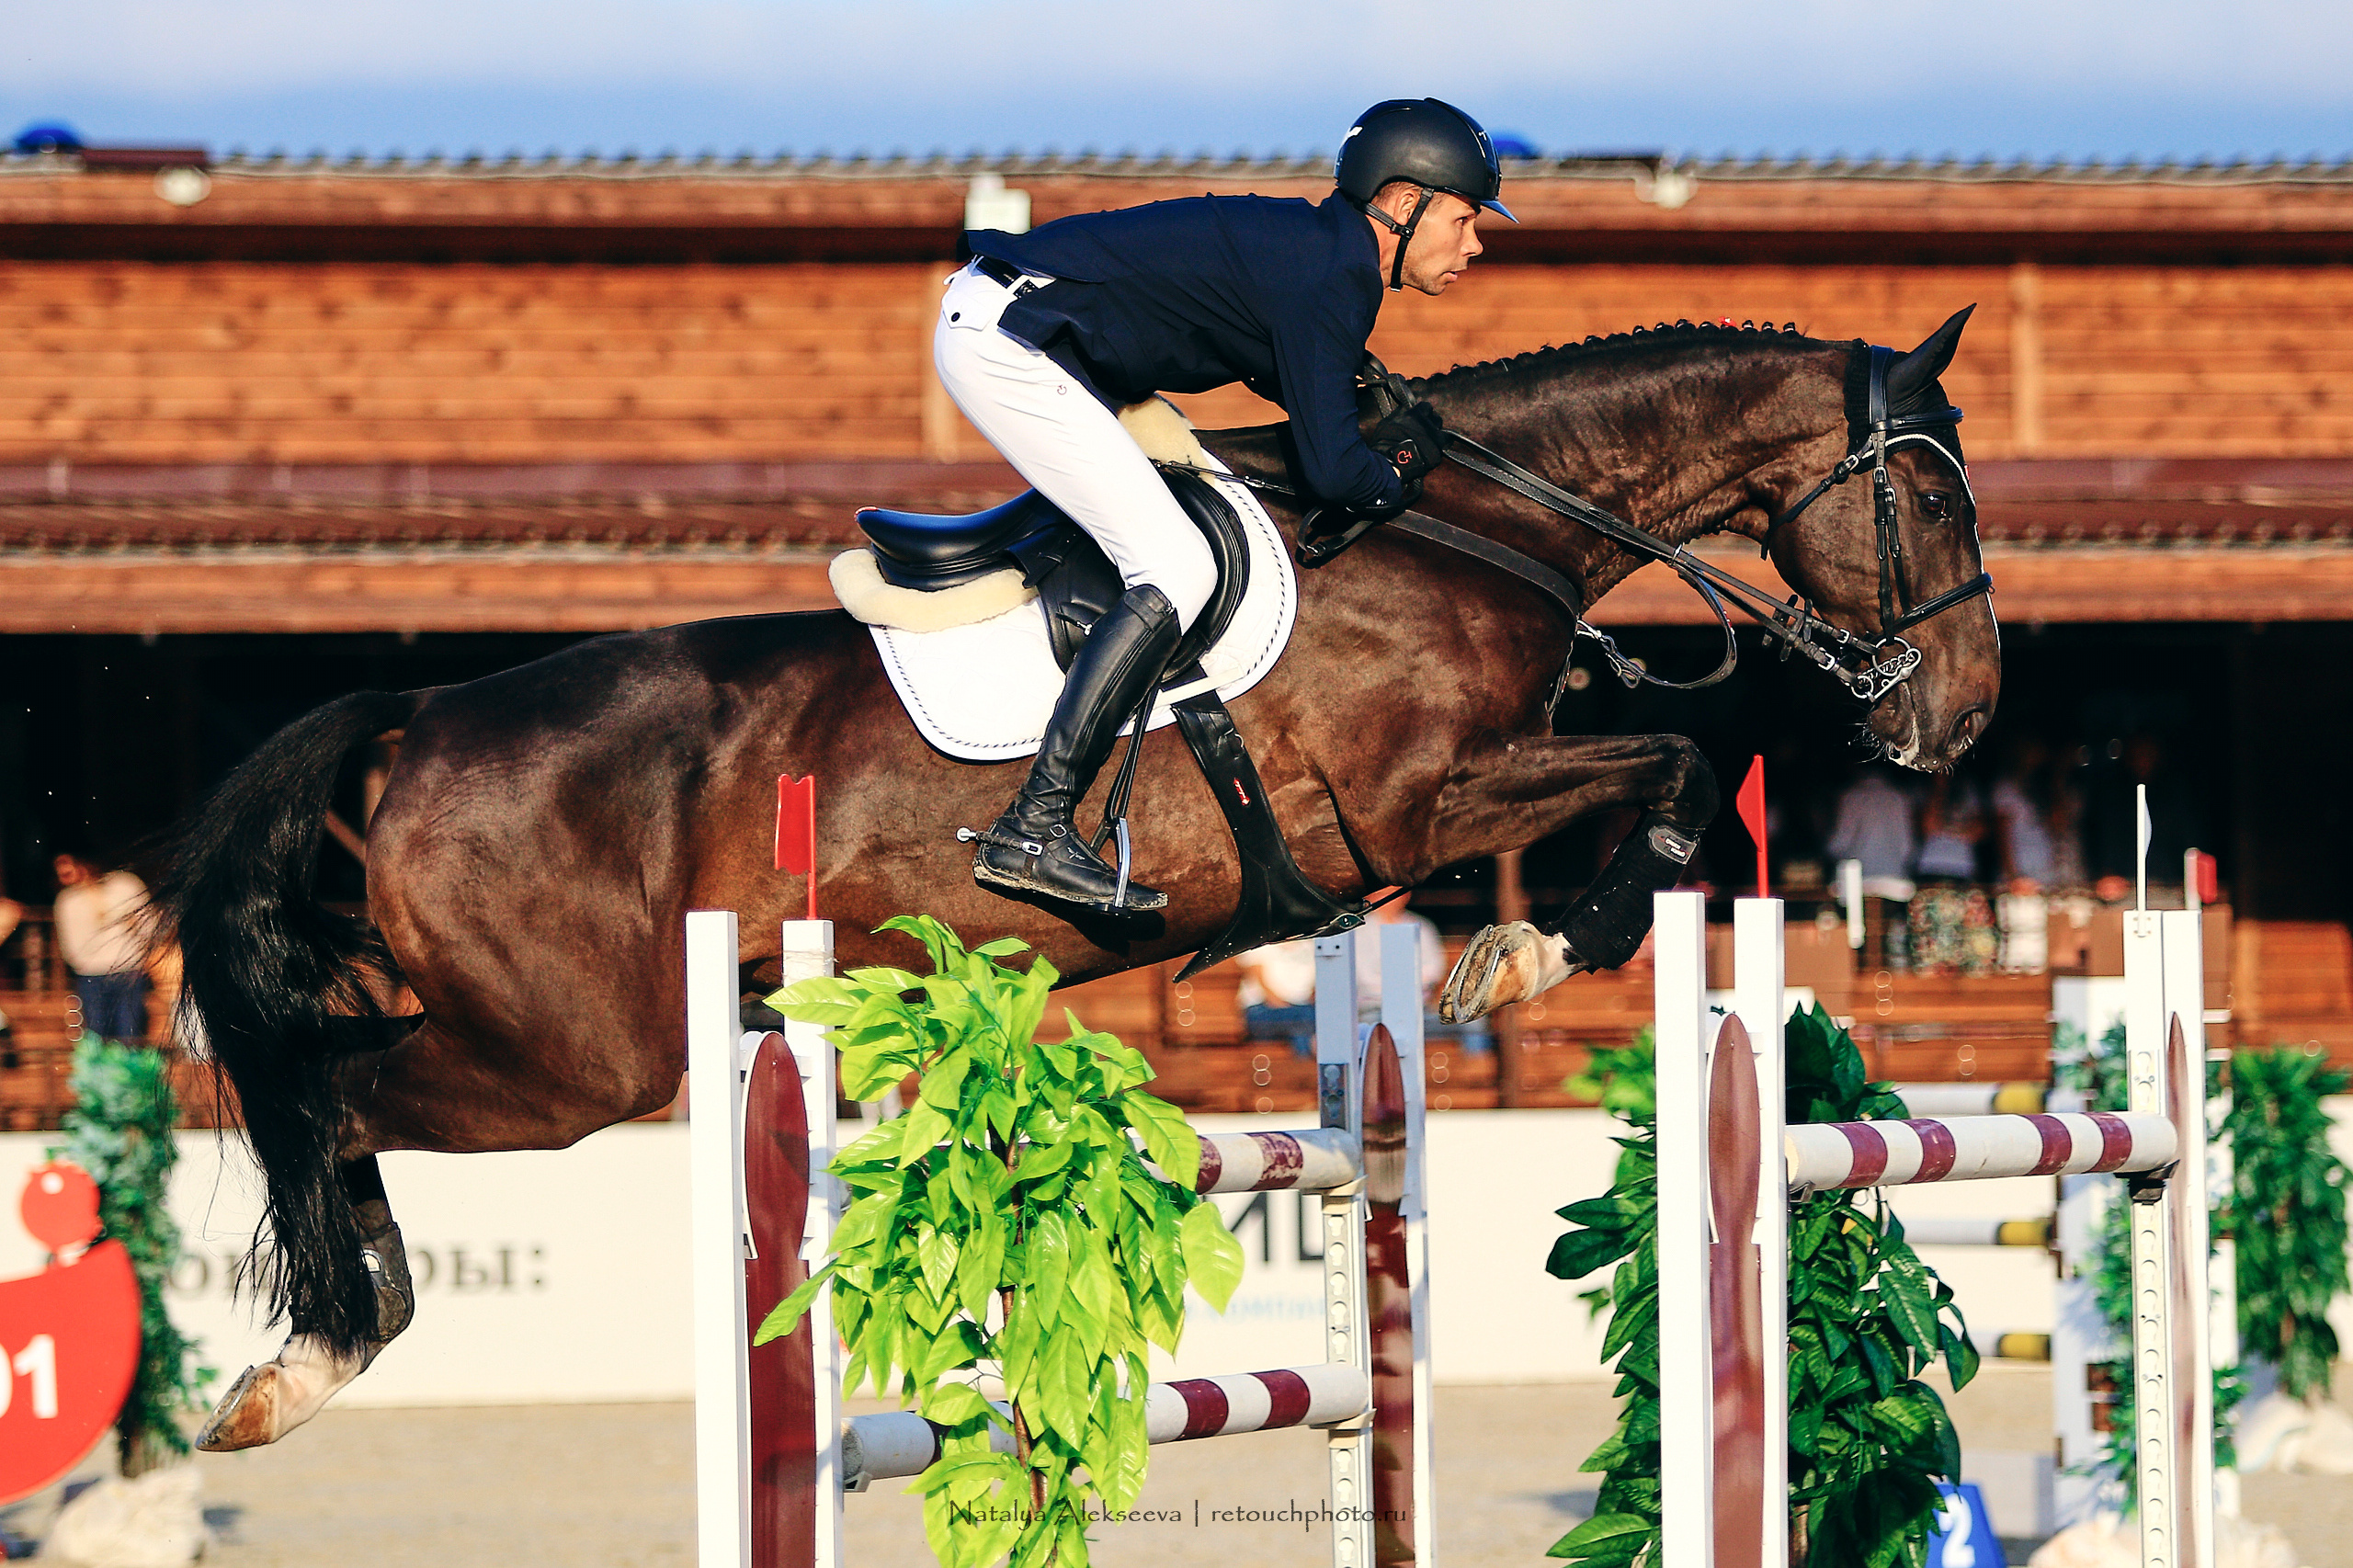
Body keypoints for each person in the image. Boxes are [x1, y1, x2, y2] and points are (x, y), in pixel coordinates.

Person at [947, 98, 1512, 913]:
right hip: (1012, 342)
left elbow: (1302, 391)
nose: (1475, 242)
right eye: (1463, 219)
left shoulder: (1318, 254)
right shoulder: (1333, 273)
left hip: (1019, 330)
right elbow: (1334, 472)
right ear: (1401, 204)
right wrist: (1400, 469)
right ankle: (1032, 829)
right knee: (1177, 563)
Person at [1233, 890, 1466, 1056]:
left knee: (1469, 1023)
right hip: (1270, 1010)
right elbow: (1262, 983)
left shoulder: (1311, 940)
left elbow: (1433, 969)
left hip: (1307, 1009)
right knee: (1324, 1023)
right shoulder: (1262, 938)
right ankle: (1313, 1076)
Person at [52, 851, 152, 1042]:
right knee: (96, 1034)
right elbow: (69, 944)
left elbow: (149, 925)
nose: (65, 871)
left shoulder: (126, 885)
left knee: (130, 1032)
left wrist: (138, 956)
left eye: (68, 864)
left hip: (128, 971)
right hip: (91, 975)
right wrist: (84, 963)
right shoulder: (67, 901)